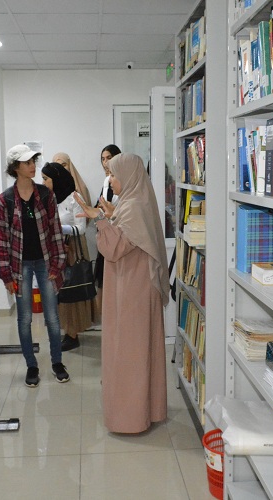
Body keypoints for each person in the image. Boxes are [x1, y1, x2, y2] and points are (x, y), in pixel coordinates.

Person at [74, 153, 169, 433]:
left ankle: (130, 418)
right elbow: (129, 237)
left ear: (128, 176)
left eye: (114, 174)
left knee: (129, 352)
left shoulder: (133, 206)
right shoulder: (134, 202)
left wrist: (100, 220)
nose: (110, 179)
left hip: (132, 290)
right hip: (135, 286)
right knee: (140, 349)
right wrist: (109, 215)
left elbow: (114, 249)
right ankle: (147, 410)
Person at [0, 145, 69, 387]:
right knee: (24, 317)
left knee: (52, 317)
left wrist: (57, 264)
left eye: (33, 161)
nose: (32, 166)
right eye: (27, 162)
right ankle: (31, 365)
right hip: (19, 265)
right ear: (15, 167)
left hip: (45, 261)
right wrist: (6, 275)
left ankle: (57, 362)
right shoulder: (5, 199)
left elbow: (56, 231)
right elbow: (1, 239)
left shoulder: (45, 195)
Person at [41, 162, 92, 351]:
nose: (43, 183)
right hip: (56, 250)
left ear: (57, 179)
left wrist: (58, 228)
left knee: (71, 291)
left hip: (72, 251)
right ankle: (66, 330)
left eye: (46, 179)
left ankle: (73, 334)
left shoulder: (74, 198)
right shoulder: (51, 198)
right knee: (59, 293)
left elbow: (81, 228)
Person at [90, 144, 122, 330]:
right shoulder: (105, 182)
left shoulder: (123, 181)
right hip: (107, 236)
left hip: (119, 237)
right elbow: (100, 205)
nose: (105, 162)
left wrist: (109, 211)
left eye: (109, 158)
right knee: (105, 281)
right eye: (102, 159)